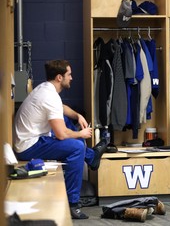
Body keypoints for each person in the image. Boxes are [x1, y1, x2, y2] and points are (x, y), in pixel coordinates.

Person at [14, 60, 107, 219]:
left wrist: (78, 116)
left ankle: (91, 157)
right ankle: (72, 204)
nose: (71, 78)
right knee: (77, 147)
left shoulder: (45, 89)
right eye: (69, 75)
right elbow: (61, 135)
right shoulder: (49, 97)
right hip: (28, 146)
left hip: (31, 138)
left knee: (67, 120)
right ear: (59, 77)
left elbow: (61, 108)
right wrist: (82, 134)